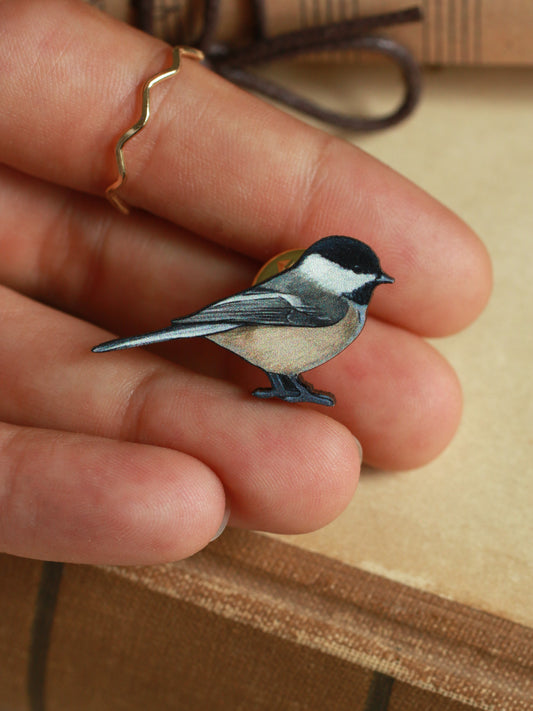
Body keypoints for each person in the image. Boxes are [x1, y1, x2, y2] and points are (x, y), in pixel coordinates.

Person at [0, 0, 491, 565]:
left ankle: (288, 388)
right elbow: (263, 314)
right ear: (335, 275)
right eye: (364, 275)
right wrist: (204, 323)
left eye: (371, 276)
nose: (372, 282)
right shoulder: (332, 306)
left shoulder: (336, 302)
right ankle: (284, 386)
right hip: (245, 324)